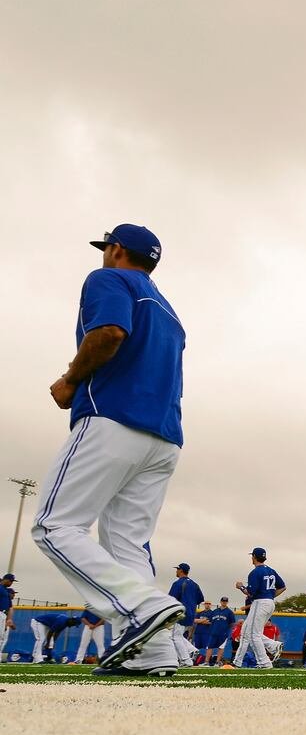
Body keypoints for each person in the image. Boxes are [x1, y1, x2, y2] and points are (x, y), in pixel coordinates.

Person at [32, 225, 188, 676]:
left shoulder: (109, 279)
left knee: (54, 526)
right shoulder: (169, 309)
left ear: (116, 250)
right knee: (126, 543)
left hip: (113, 420)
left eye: (107, 249)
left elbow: (110, 333)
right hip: (164, 437)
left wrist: (70, 379)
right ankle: (155, 653)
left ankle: (140, 606)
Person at [231, 547, 286, 669]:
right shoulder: (271, 570)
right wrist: (270, 596)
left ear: (254, 557)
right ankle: (237, 662)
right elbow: (283, 587)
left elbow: (250, 592)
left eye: (252, 556)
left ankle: (264, 661)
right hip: (269, 602)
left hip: (260, 603)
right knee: (245, 631)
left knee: (253, 634)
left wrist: (240, 587)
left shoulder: (255, 572)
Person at [167, 563, 203, 665]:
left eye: (177, 569)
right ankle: (191, 650)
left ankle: (186, 660)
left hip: (180, 613)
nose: (176, 571)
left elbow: (171, 599)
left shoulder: (178, 583)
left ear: (181, 570)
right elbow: (200, 599)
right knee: (177, 635)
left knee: (175, 637)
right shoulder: (194, 584)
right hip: (191, 614)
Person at [206, 597, 235, 665]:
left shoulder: (229, 612)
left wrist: (226, 630)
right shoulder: (215, 611)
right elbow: (210, 621)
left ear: (227, 602)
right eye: (223, 601)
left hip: (223, 633)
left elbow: (232, 623)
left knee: (221, 647)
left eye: (225, 601)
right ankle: (206, 662)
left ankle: (217, 662)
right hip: (213, 632)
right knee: (210, 647)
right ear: (220, 602)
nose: (224, 602)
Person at [0, 574, 17, 659]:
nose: (11, 583)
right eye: (11, 581)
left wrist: (9, 619)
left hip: (3, 615)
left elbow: (10, 607)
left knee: (1, 637)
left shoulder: (5, 591)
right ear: (6, 579)